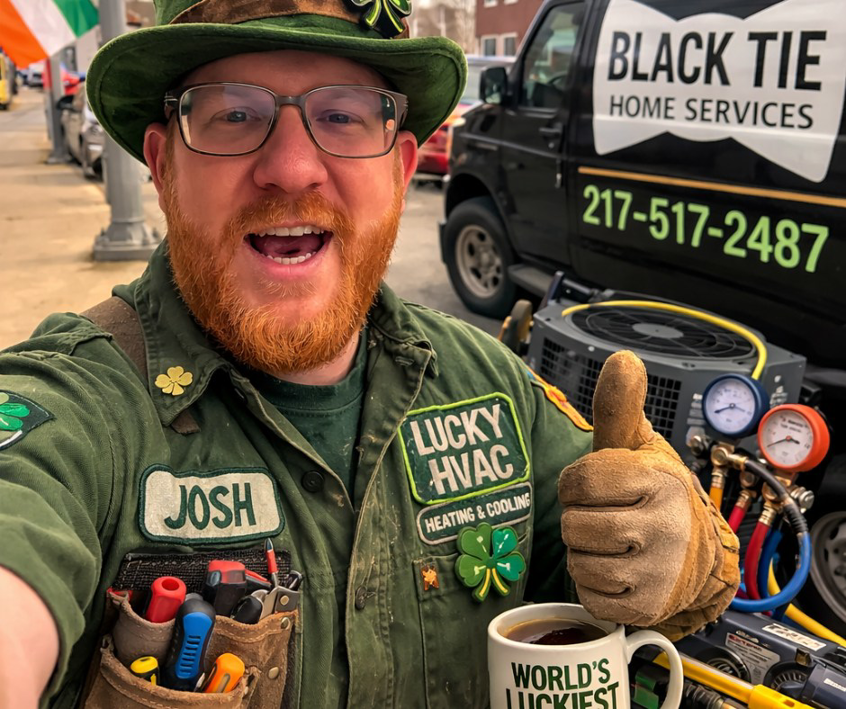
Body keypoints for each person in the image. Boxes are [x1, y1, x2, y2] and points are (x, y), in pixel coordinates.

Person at [0, 1, 740, 706]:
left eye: (343, 116)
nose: (291, 167)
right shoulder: (80, 405)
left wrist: (677, 546)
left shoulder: (487, 387)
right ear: (162, 167)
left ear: (401, 167)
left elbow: (653, 559)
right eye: (234, 114)